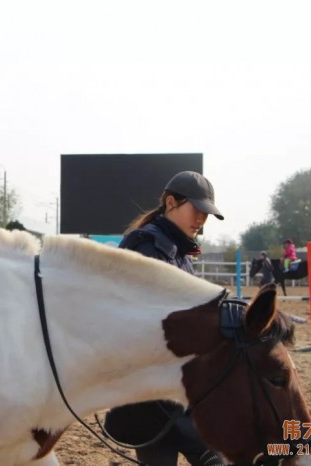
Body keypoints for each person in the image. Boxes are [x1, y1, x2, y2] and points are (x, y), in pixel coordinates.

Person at [103, 171, 225, 466]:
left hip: (166, 386)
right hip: (156, 387)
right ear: (171, 202)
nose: (201, 219)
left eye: (206, 214)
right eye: (196, 210)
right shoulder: (149, 246)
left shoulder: (176, 249)